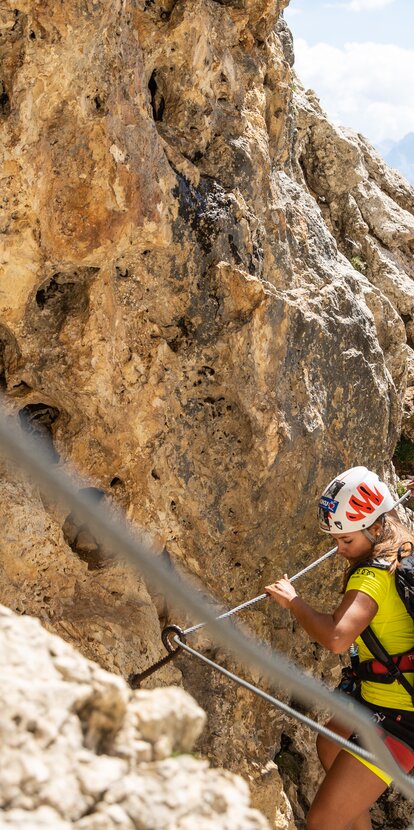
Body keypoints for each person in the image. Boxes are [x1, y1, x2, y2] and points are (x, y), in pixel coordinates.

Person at [265, 466, 414, 830]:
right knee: (330, 746)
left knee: (322, 821)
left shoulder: (372, 577)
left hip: (400, 718)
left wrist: (294, 602)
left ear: (375, 528)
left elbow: (336, 638)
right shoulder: (403, 546)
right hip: (379, 698)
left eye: (346, 541)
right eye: (335, 540)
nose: (339, 550)